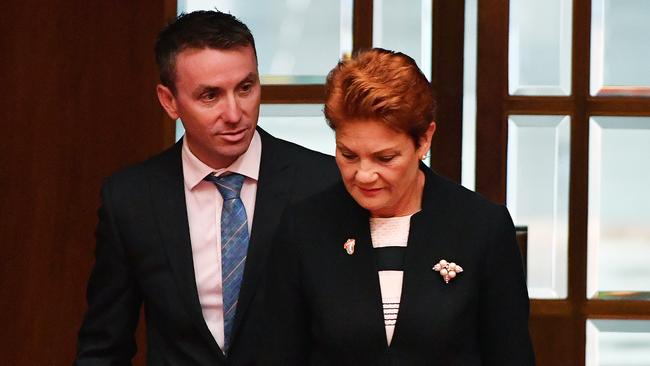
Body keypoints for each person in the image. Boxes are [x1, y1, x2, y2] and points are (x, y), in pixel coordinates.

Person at [74, 10, 339, 365]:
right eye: (210, 96)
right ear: (169, 101)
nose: (234, 113)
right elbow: (104, 346)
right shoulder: (131, 199)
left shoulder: (323, 182)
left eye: (246, 88)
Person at [263, 48, 535, 365]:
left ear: (424, 141)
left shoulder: (480, 227)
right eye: (348, 155)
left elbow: (510, 355)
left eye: (385, 158)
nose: (363, 174)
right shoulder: (306, 228)